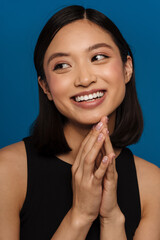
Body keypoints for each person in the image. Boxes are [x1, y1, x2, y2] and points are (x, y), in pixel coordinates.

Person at [0, 5, 160, 240]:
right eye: (62, 65)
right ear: (46, 87)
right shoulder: (7, 172)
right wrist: (80, 216)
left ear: (127, 69)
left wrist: (112, 219)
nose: (85, 79)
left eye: (98, 57)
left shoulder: (153, 184)